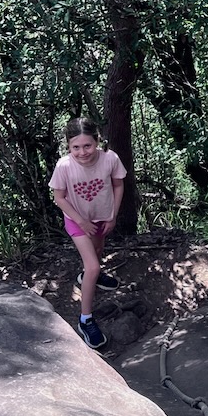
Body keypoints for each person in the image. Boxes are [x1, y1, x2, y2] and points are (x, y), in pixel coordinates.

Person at [49, 117, 126, 350]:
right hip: (77, 220)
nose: (82, 152)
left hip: (101, 216)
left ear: (97, 141)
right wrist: (81, 221)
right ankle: (86, 320)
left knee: (98, 251)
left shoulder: (110, 159)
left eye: (87, 145)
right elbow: (59, 198)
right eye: (76, 147)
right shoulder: (64, 166)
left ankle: (89, 277)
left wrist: (112, 215)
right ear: (68, 146)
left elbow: (118, 184)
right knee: (93, 265)